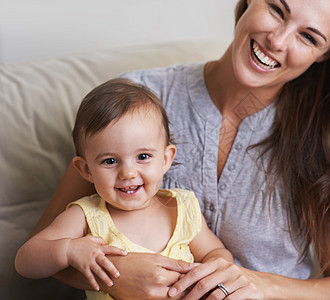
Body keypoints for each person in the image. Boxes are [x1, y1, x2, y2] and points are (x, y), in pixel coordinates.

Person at [31, 0, 330, 299]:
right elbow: (47, 249)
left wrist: (259, 284)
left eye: (308, 36)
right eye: (276, 9)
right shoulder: (137, 102)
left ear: (328, 52)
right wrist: (118, 277)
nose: (278, 40)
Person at [15, 79, 233, 300]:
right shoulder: (86, 215)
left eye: (143, 157)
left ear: (166, 159)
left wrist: (216, 266)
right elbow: (25, 261)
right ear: (86, 169)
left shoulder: (183, 207)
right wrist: (69, 250)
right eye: (110, 161)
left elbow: (214, 252)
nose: (128, 173)